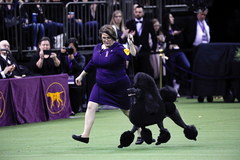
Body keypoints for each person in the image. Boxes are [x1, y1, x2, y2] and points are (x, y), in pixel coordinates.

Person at [71, 24, 136, 144]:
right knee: (90, 106)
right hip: (101, 85)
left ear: (114, 37)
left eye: (108, 38)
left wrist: (130, 43)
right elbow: (92, 63)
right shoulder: (97, 48)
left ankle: (142, 132)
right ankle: (85, 135)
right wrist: (81, 75)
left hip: (119, 86)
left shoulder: (119, 48)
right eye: (104, 37)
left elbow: (132, 55)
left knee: (127, 111)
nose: (106, 40)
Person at [162, 13, 191, 97]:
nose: (173, 18)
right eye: (171, 17)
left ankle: (178, 83)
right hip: (169, 52)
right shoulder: (164, 29)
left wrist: (173, 39)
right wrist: (172, 36)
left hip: (178, 50)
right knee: (170, 69)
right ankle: (172, 89)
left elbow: (181, 39)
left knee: (186, 65)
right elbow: (166, 40)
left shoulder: (176, 28)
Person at [126, 4, 157, 78]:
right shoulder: (129, 23)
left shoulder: (149, 23)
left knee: (146, 71)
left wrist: (153, 48)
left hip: (145, 50)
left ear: (143, 13)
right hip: (134, 51)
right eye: (136, 12)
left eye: (140, 12)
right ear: (134, 13)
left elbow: (153, 36)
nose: (138, 14)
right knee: (135, 71)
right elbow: (127, 38)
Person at [60, 37, 86, 115]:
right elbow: (62, 67)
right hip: (66, 78)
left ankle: (75, 108)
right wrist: (61, 54)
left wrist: (73, 60)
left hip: (76, 78)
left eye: (72, 47)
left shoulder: (81, 57)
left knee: (75, 88)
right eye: (69, 47)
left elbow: (80, 68)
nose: (70, 49)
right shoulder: (64, 57)